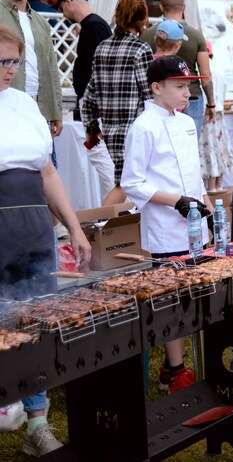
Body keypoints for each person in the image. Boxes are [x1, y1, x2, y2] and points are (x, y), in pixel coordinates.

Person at [0, 25, 91, 456]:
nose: (8, 70)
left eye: (13, 62)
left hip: (35, 230)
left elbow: (47, 172)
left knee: (36, 326)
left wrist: (72, 227)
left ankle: (38, 424)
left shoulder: (23, 103)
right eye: (0, 62)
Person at [121, 55, 211, 394]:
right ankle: (175, 369)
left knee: (194, 294)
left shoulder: (186, 122)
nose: (186, 93)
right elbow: (133, 182)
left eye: (188, 86)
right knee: (174, 299)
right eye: (179, 86)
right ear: (157, 88)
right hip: (164, 227)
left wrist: (205, 210)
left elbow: (194, 171)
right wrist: (174, 201)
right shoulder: (143, 126)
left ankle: (177, 362)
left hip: (194, 223)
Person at [81, 0, 154, 206]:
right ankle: (100, 227)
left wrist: (92, 127)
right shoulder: (141, 49)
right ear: (142, 19)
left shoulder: (102, 48)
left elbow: (90, 94)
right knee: (126, 184)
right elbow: (150, 93)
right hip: (136, 129)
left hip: (111, 130)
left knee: (126, 183)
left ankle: (114, 230)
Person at [57, 0, 115, 197]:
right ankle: (117, 208)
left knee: (100, 154)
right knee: (100, 154)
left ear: (68, 2)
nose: (63, 14)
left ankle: (118, 210)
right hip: (96, 101)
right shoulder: (94, 25)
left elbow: (103, 66)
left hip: (95, 102)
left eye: (61, 7)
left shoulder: (94, 25)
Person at [0, 0, 63, 140]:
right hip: (6, 99)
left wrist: (56, 110)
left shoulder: (41, 23)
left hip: (38, 102)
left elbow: (51, 67)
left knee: (42, 159)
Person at [141, 0, 216, 136]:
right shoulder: (196, 36)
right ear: (184, 7)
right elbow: (205, 75)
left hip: (159, 99)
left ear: (161, 7)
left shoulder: (149, 34)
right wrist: (211, 103)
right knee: (189, 145)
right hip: (192, 97)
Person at [199, 42, 233, 192]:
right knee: (220, 148)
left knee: (209, 148)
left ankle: (210, 188)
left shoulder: (204, 70)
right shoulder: (219, 68)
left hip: (207, 113)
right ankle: (218, 186)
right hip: (219, 114)